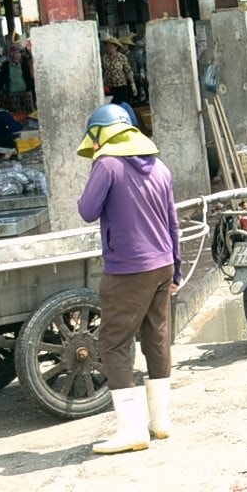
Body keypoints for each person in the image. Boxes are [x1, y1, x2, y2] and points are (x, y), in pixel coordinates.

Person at [75, 104, 183, 455]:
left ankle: (131, 430)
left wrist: (96, 167)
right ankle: (160, 422)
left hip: (128, 269)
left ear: (99, 135)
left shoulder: (106, 165)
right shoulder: (160, 167)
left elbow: (87, 210)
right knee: (156, 338)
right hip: (163, 263)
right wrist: (177, 269)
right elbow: (173, 223)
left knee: (113, 343)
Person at [101, 34, 135, 104]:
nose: (109, 47)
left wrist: (132, 83)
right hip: (109, 87)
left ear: (116, 47)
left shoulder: (122, 57)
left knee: (123, 105)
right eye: (107, 45)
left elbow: (128, 70)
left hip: (121, 86)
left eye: (111, 46)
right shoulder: (105, 58)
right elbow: (103, 71)